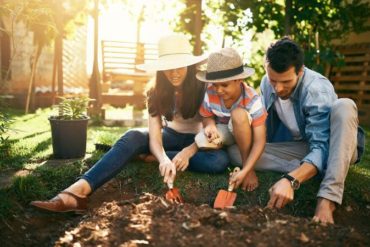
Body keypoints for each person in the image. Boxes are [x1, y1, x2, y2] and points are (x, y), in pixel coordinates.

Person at [30, 34, 230, 213]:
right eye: (168, 67)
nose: (174, 72)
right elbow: (155, 136)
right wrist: (162, 159)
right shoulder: (155, 91)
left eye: (179, 65)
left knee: (219, 161)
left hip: (200, 141)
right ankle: (77, 192)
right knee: (133, 136)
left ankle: (142, 157)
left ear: (189, 64)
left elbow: (215, 129)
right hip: (171, 137)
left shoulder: (205, 86)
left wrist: (189, 151)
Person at [228, 37, 365, 224]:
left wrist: (291, 180)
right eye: (273, 80)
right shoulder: (267, 84)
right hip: (301, 146)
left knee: (345, 105)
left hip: (334, 147)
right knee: (237, 152)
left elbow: (321, 146)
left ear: (300, 71)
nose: (277, 88)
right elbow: (261, 124)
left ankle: (328, 199)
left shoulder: (316, 89)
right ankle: (311, 168)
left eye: (285, 81)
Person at [194, 47, 267, 192]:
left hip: (245, 133)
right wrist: (209, 126)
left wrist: (247, 170)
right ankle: (170, 156)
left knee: (238, 114)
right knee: (201, 140)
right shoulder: (210, 92)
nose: (218, 90)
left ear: (238, 80)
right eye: (215, 84)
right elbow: (206, 115)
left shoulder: (252, 100)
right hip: (224, 131)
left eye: (224, 85)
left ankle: (246, 162)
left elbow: (260, 141)